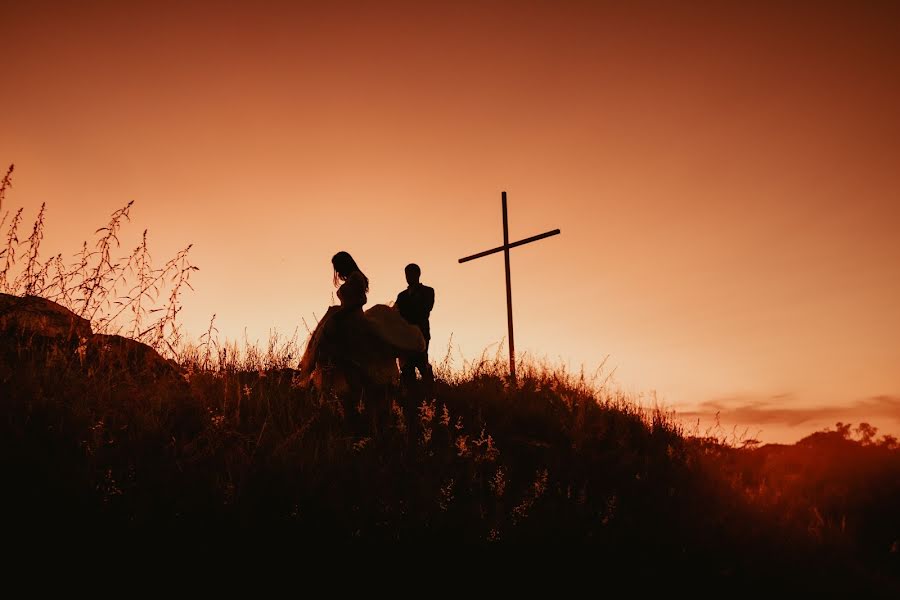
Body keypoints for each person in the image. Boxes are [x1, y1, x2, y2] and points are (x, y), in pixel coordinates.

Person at [298, 252, 425, 390]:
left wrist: (343, 311)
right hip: (345, 315)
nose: (337, 270)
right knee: (328, 343)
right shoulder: (351, 278)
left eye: (338, 266)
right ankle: (315, 373)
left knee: (347, 352)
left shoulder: (356, 277)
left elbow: (362, 300)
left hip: (353, 317)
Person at [395, 263, 435, 388]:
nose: (408, 277)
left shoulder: (428, 291)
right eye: (407, 274)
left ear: (418, 274)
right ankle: (411, 393)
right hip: (406, 335)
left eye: (411, 274)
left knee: (422, 361)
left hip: (421, 333)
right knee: (407, 366)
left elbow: (426, 309)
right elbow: (397, 313)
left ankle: (430, 391)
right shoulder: (401, 296)